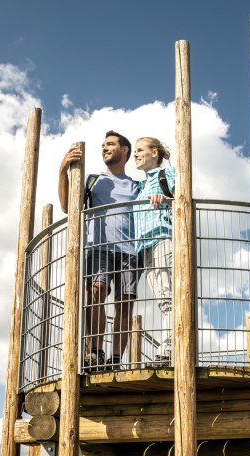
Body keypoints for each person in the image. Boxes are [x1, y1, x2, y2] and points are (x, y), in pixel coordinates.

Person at [58, 130, 139, 370]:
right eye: (103, 145)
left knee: (125, 303)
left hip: (129, 252)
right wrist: (62, 170)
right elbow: (66, 206)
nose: (104, 148)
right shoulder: (93, 180)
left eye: (110, 144)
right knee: (96, 291)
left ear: (125, 150)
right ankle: (95, 351)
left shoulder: (136, 185)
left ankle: (115, 359)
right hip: (99, 246)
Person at [133, 137, 175, 366]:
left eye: (140, 150)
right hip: (145, 247)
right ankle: (169, 348)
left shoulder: (167, 175)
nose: (135, 155)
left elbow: (184, 201)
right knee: (163, 299)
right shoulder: (140, 187)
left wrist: (166, 199)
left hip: (163, 239)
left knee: (168, 298)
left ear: (155, 153)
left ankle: (168, 350)